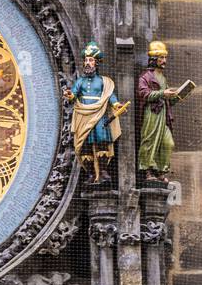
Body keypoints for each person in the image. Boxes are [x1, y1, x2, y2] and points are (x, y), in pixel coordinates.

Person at [64, 41, 128, 183]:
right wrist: (70, 95)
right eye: (86, 60)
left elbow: (109, 95)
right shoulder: (80, 81)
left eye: (91, 60)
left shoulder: (103, 81)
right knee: (85, 144)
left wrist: (116, 104)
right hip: (84, 115)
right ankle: (91, 173)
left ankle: (103, 171)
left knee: (102, 142)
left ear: (96, 63)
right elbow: (73, 94)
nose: (87, 63)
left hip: (99, 115)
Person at [137, 39, 182, 181]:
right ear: (154, 59)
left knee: (168, 143)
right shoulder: (145, 77)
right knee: (149, 141)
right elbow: (143, 94)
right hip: (151, 114)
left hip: (163, 116)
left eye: (165, 57)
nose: (164, 60)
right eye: (161, 57)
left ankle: (161, 170)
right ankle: (148, 171)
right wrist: (163, 93)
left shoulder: (163, 78)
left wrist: (179, 95)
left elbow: (168, 100)